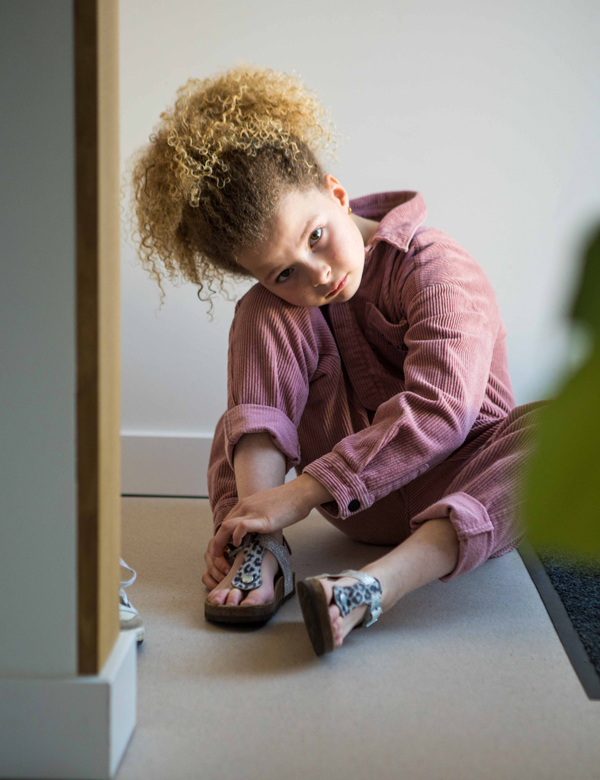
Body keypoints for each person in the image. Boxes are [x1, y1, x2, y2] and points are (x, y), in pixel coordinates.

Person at [126, 62, 546, 656]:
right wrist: (269, 509)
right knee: (261, 313)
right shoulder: (277, 303)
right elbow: (263, 397)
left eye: (317, 235)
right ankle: (257, 546)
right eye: (283, 272)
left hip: (459, 482)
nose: (317, 274)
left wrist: (297, 495)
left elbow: (441, 412)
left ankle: (369, 590)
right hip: (355, 504)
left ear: (336, 193)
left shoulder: (435, 266)